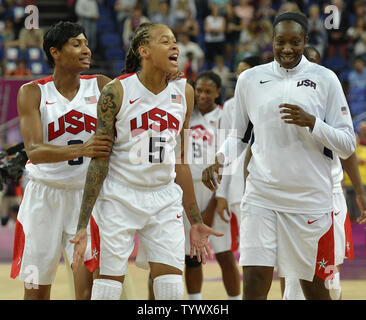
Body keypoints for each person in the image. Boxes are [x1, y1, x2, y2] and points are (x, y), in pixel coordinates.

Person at [201, 11, 356, 300]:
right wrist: (220, 159)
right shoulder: (250, 79)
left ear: (306, 40)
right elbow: (239, 136)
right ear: (271, 41)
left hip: (310, 200)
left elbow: (347, 143)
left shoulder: (326, 79)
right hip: (262, 195)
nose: (287, 49)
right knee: (255, 279)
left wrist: (314, 123)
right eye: (280, 41)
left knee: (312, 289)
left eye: (295, 42)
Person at [71, 22, 223, 300]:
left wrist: (196, 221)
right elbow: (99, 160)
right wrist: (83, 223)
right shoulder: (116, 92)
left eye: (175, 40)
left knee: (171, 291)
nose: (175, 45)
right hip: (119, 197)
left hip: (164, 199)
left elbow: (181, 162)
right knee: (106, 290)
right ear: (145, 50)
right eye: (165, 41)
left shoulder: (184, 93)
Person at [10, 21, 114, 300]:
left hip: (88, 198)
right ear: (55, 52)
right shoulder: (32, 92)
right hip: (43, 198)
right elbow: (34, 151)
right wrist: (84, 148)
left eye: (87, 43)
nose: (86, 50)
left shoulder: (103, 85)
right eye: (77, 44)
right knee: (36, 291)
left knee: (88, 291)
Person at [282, 46, 366, 300]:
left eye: (315, 65)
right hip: (293, 194)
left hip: (330, 194)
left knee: (330, 275)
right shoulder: (284, 103)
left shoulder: (331, 101)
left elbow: (348, 150)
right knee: (294, 274)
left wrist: (360, 192)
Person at [182, 71, 241, 300]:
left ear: (218, 92)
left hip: (216, 189)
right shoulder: (188, 115)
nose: (202, 95)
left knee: (224, 254)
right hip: (188, 190)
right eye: (198, 91)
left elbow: (228, 162)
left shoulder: (224, 117)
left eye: (208, 91)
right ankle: (195, 303)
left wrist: (217, 200)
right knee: (191, 255)